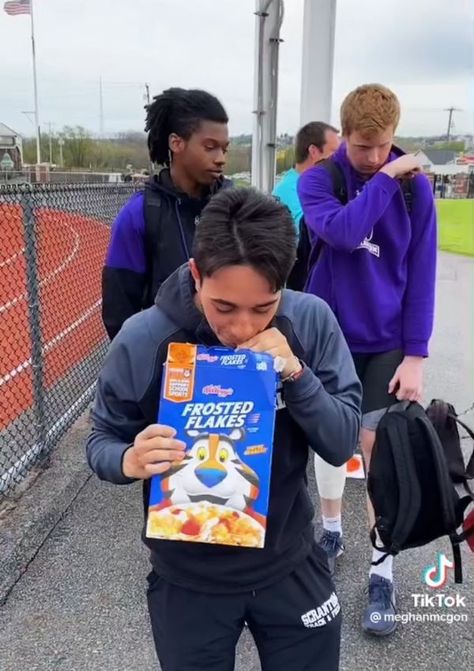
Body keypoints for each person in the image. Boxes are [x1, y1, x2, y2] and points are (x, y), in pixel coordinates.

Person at [87, 188, 362, 670]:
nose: (241, 327)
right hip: (187, 579)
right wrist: (129, 459)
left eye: (263, 307)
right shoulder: (144, 338)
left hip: (289, 561)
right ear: (196, 274)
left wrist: (296, 375)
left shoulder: (310, 321)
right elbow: (101, 441)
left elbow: (341, 442)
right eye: (224, 307)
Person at [298, 84, 437, 636]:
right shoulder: (320, 180)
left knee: (378, 448)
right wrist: (381, 181)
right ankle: (331, 529)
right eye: (363, 147)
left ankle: (383, 567)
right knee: (330, 437)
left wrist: (418, 356)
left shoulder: (416, 190)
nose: (375, 157)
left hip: (386, 343)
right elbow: (346, 234)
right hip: (329, 335)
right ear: (344, 136)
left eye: (384, 147)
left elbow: (421, 275)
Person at [102, 87, 230, 340]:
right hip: (168, 366)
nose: (220, 159)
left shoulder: (236, 205)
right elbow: (119, 309)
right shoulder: (139, 214)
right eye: (210, 147)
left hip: (230, 361)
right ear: (176, 143)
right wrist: (143, 361)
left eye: (224, 149)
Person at [272, 121, 340, 230]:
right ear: (313, 151)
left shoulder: (293, 185)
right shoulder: (292, 192)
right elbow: (319, 236)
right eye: (334, 153)